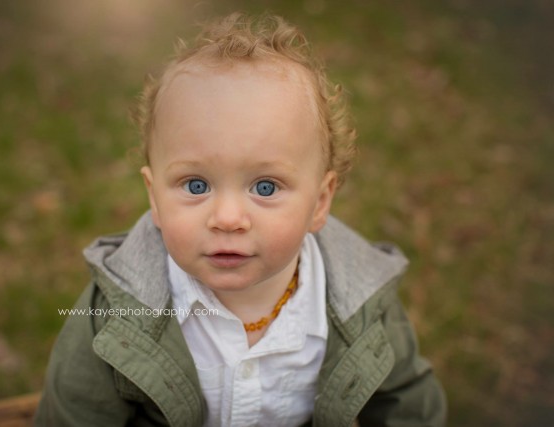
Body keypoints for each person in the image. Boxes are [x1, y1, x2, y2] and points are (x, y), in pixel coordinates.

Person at [35, 13, 447, 427]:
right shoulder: (112, 312)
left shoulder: (362, 305)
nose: (228, 219)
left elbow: (409, 405)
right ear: (154, 197)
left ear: (320, 203)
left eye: (265, 187)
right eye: (196, 185)